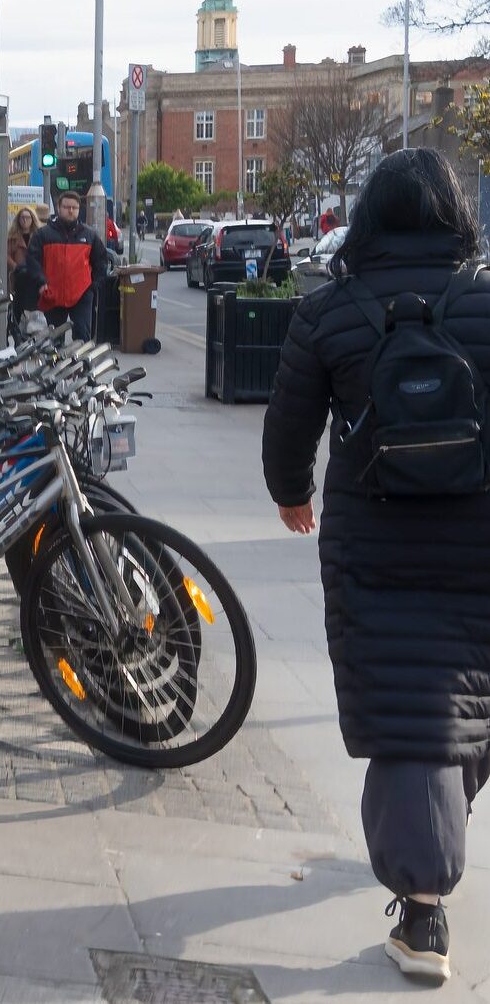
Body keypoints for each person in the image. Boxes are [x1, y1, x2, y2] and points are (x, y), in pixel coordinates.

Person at [262, 148, 490, 984]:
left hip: (373, 540)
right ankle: (433, 834)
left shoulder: (330, 311)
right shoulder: (483, 305)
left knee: (406, 701)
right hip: (477, 535)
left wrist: (291, 492)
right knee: (462, 695)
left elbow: (289, 424)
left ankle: (424, 909)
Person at [24, 191, 109, 341]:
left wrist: (93, 286)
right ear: (58, 208)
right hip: (52, 294)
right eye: (67, 207)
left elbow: (101, 262)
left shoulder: (90, 235)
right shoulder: (43, 235)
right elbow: (32, 260)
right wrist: (41, 282)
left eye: (74, 208)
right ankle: (56, 364)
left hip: (81, 294)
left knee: (82, 337)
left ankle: (81, 364)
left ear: (78, 210)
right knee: (54, 340)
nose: (70, 211)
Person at [6, 207, 40, 340]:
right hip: (18, 278)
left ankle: (29, 334)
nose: (25, 220)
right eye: (22, 217)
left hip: (32, 279)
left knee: (32, 307)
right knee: (16, 308)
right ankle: (15, 334)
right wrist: (15, 267)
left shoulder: (38, 235)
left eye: (28, 217)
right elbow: (7, 255)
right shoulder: (12, 237)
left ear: (32, 219)